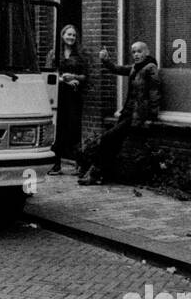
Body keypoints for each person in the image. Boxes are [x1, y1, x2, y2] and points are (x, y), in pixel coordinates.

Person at [77, 40, 161, 185]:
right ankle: (101, 174)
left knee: (107, 138)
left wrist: (152, 116)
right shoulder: (135, 67)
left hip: (136, 115)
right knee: (113, 143)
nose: (136, 55)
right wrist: (106, 60)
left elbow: (155, 92)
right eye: (133, 52)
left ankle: (95, 173)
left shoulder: (150, 68)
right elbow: (117, 69)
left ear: (147, 52)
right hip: (126, 113)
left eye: (139, 51)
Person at [45, 24, 89, 175]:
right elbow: (49, 74)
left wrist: (74, 77)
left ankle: (79, 164)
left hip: (74, 95)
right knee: (58, 129)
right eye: (68, 34)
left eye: (74, 35)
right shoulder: (53, 54)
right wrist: (64, 80)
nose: (71, 37)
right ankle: (56, 165)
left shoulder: (80, 55)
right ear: (62, 36)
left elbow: (85, 76)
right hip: (58, 94)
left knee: (74, 128)